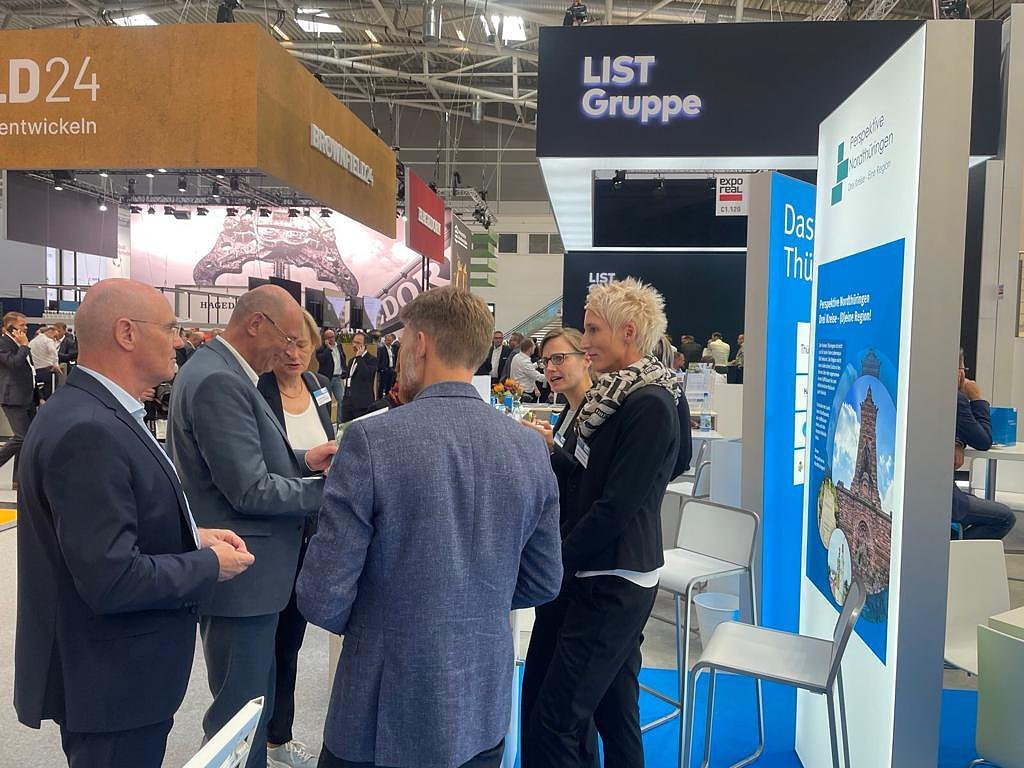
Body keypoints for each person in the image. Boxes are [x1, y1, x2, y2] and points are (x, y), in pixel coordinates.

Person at [297, 286, 563, 768]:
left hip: (379, 711)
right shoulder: (528, 448)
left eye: (402, 345)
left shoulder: (371, 440)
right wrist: (472, 606)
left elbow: (322, 595)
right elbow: (543, 579)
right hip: (480, 707)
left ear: (420, 344)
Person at [15, 278, 254, 768]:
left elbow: (113, 524)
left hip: (117, 677)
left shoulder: (100, 412)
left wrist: (191, 535)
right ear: (126, 332)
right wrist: (209, 564)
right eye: (169, 328)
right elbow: (112, 578)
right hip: (112, 683)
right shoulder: (89, 428)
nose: (178, 340)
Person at [167, 286, 337, 768]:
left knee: (253, 708)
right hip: (243, 575)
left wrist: (305, 460)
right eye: (286, 338)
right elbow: (250, 490)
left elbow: (248, 463)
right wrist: (334, 490)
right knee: (238, 717)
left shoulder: (225, 373)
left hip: (254, 576)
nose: (289, 350)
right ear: (256, 323)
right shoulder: (219, 381)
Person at [522, 277, 680, 768]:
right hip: (604, 569)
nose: (585, 341)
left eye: (592, 330)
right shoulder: (618, 396)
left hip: (613, 579)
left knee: (556, 721)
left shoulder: (649, 402)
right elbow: (596, 478)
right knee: (614, 713)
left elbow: (616, 507)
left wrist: (555, 561)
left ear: (628, 332)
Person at [257, 310, 335, 768]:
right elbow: (259, 464)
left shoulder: (319, 387)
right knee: (260, 647)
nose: (293, 352)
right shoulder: (256, 391)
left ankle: (278, 736)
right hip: (269, 532)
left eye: (302, 344)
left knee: (290, 643)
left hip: (310, 531)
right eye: (286, 342)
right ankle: (253, 740)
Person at [953, 352, 1016, 539]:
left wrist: (958, 442)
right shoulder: (956, 399)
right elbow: (983, 441)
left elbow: (960, 428)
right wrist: (977, 398)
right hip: (943, 495)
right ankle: (952, 551)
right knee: (1005, 518)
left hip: (927, 490)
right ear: (959, 372)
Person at [0, 312, 36, 486]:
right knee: (22, 437)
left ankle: (18, 478)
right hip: (12, 397)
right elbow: (13, 364)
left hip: (27, 396)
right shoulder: (3, 343)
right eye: (22, 325)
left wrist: (38, 397)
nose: (26, 328)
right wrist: (24, 347)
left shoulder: (21, 343)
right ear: (10, 327)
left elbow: (30, 370)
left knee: (28, 439)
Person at [341, 331, 378, 422]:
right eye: (353, 342)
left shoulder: (372, 360)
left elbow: (366, 375)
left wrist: (359, 358)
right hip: (348, 402)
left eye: (358, 343)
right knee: (345, 428)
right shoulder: (351, 360)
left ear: (365, 345)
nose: (354, 345)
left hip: (362, 404)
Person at [316, 329, 348, 422]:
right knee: (324, 403)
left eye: (332, 337)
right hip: (324, 379)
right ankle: (326, 424)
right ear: (324, 339)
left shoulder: (339, 346)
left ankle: (340, 424)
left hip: (337, 378)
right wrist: (328, 348)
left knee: (342, 400)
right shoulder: (321, 349)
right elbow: (321, 360)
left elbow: (343, 358)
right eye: (328, 337)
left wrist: (344, 370)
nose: (331, 339)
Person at [29, 326, 62, 402]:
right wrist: (56, 363)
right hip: (48, 372)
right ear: (50, 332)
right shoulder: (48, 340)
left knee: (40, 397)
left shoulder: (32, 342)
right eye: (55, 336)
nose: (55, 339)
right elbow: (53, 350)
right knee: (51, 397)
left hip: (36, 372)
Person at [377, 332, 399, 399]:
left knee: (389, 386)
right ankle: (380, 399)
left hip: (391, 369)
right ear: (385, 340)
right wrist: (382, 369)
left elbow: (393, 358)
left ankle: (387, 399)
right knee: (382, 386)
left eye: (391, 340)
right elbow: (379, 360)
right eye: (388, 340)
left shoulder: (392, 348)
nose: (390, 342)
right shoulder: (381, 349)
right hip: (384, 370)